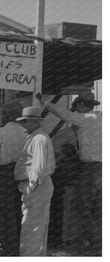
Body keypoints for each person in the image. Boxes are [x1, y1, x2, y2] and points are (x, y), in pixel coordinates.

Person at [42, 91, 101, 251]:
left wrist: (46, 102)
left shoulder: (86, 119)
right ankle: (95, 245)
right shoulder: (100, 119)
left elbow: (64, 114)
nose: (75, 111)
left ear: (82, 105)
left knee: (82, 206)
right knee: (98, 209)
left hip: (92, 168)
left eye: (76, 107)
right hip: (99, 168)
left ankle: (98, 245)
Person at [14, 106, 55, 256]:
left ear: (35, 122)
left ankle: (29, 256)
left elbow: (38, 166)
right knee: (37, 224)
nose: (24, 125)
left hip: (36, 185)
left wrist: (32, 186)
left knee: (32, 225)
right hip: (36, 185)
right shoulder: (37, 137)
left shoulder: (39, 139)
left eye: (26, 121)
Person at [0, 101, 26, 256]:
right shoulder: (28, 131)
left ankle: (10, 247)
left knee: (6, 210)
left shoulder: (0, 132)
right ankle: (22, 243)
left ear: (5, 115)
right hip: (24, 172)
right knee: (22, 208)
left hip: (5, 173)